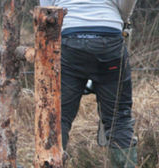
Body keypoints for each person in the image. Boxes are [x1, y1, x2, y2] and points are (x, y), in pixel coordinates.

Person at [39, 1, 138, 167]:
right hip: (109, 36)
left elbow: (48, 8)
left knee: (58, 117)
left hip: (69, 38)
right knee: (118, 118)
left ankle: (51, 162)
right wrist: (122, 18)